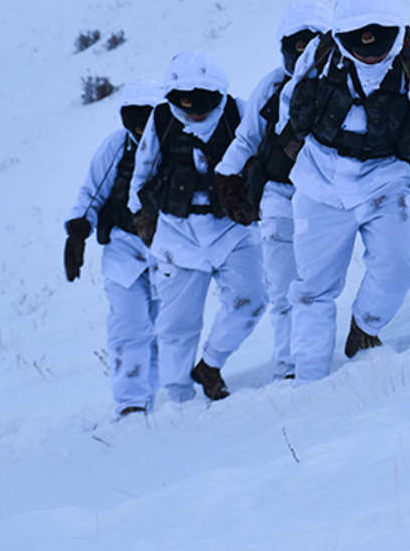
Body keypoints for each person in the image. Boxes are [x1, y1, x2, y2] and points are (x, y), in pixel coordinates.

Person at [276, 0, 410, 381]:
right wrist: (294, 150)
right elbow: (291, 102)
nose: (370, 44)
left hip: (385, 179)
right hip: (320, 182)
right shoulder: (321, 53)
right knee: (314, 286)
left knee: (398, 266)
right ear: (341, 34)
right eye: (358, 35)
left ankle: (365, 328)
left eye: (380, 33)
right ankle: (310, 377)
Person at [129, 51, 267, 402]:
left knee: (251, 299)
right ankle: (179, 398)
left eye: (203, 100)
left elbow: (264, 161)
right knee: (177, 325)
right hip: (178, 236)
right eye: (185, 101)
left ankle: (211, 364)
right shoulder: (162, 120)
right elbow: (141, 176)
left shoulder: (239, 112)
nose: (194, 109)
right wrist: (146, 225)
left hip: (232, 232)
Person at [214, 0, 332, 380]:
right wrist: (227, 176)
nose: (303, 53)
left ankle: (317, 356)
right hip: (279, 195)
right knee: (283, 286)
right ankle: (289, 366)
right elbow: (246, 139)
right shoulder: (269, 87)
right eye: (296, 44)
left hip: (326, 197)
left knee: (316, 283)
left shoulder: (343, 79)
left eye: (310, 42)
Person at [64, 81, 163, 417]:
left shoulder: (178, 143)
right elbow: (91, 193)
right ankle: (132, 404)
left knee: (167, 328)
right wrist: (77, 232)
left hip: (169, 252)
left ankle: (167, 399)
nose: (141, 127)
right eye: (135, 119)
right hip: (124, 251)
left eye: (148, 118)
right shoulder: (117, 148)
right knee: (130, 326)